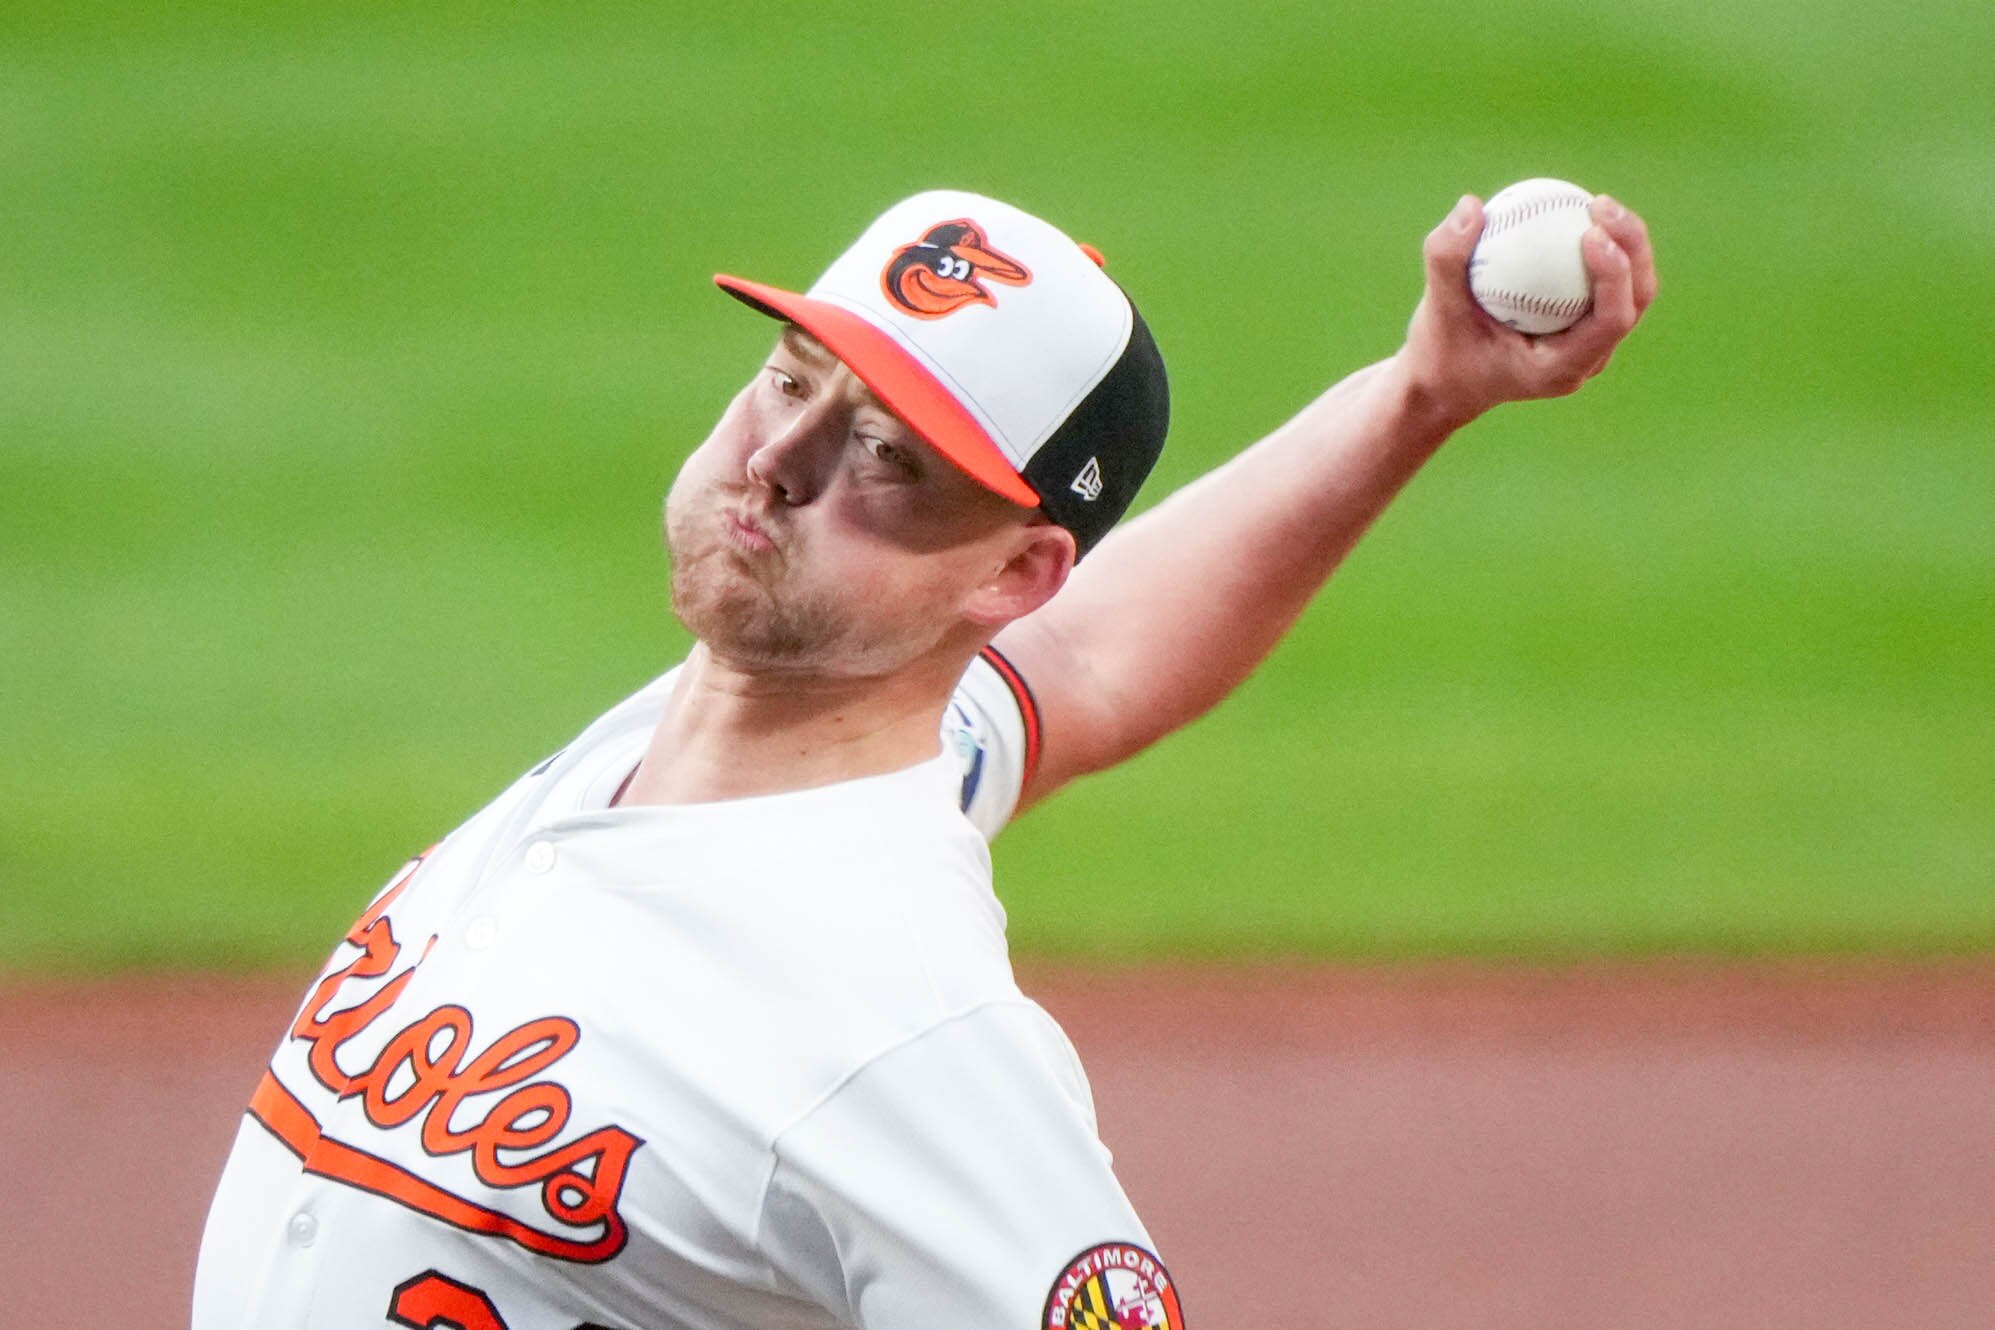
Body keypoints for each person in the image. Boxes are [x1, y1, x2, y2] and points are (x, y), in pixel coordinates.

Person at [192, 187, 1656, 1330]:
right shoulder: (720, 720)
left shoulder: (904, 1033)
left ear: (1013, 571)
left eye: (888, 458)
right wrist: (1419, 393)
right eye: (789, 380)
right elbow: (1090, 660)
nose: (782, 462)